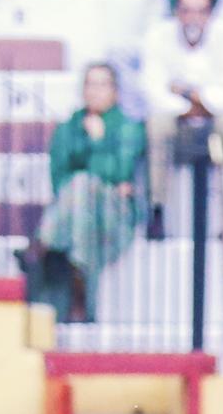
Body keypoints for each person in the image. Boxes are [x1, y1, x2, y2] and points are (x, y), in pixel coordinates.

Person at [30, 63, 145, 323]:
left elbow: (120, 171)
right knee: (80, 191)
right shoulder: (68, 127)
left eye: (102, 84)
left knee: (82, 182)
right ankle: (79, 281)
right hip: (77, 214)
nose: (95, 91)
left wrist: (97, 142)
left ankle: (43, 242)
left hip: (115, 215)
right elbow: (58, 177)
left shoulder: (128, 127)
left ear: (115, 92)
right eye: (89, 84)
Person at [142, 0, 223, 230]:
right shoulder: (158, 36)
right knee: (157, 124)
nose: (193, 18)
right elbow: (152, 92)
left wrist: (192, 95)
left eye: (201, 11)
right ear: (176, 11)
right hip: (177, 126)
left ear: (211, 13)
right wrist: (196, 103)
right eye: (186, 10)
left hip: (216, 125)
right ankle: (157, 209)